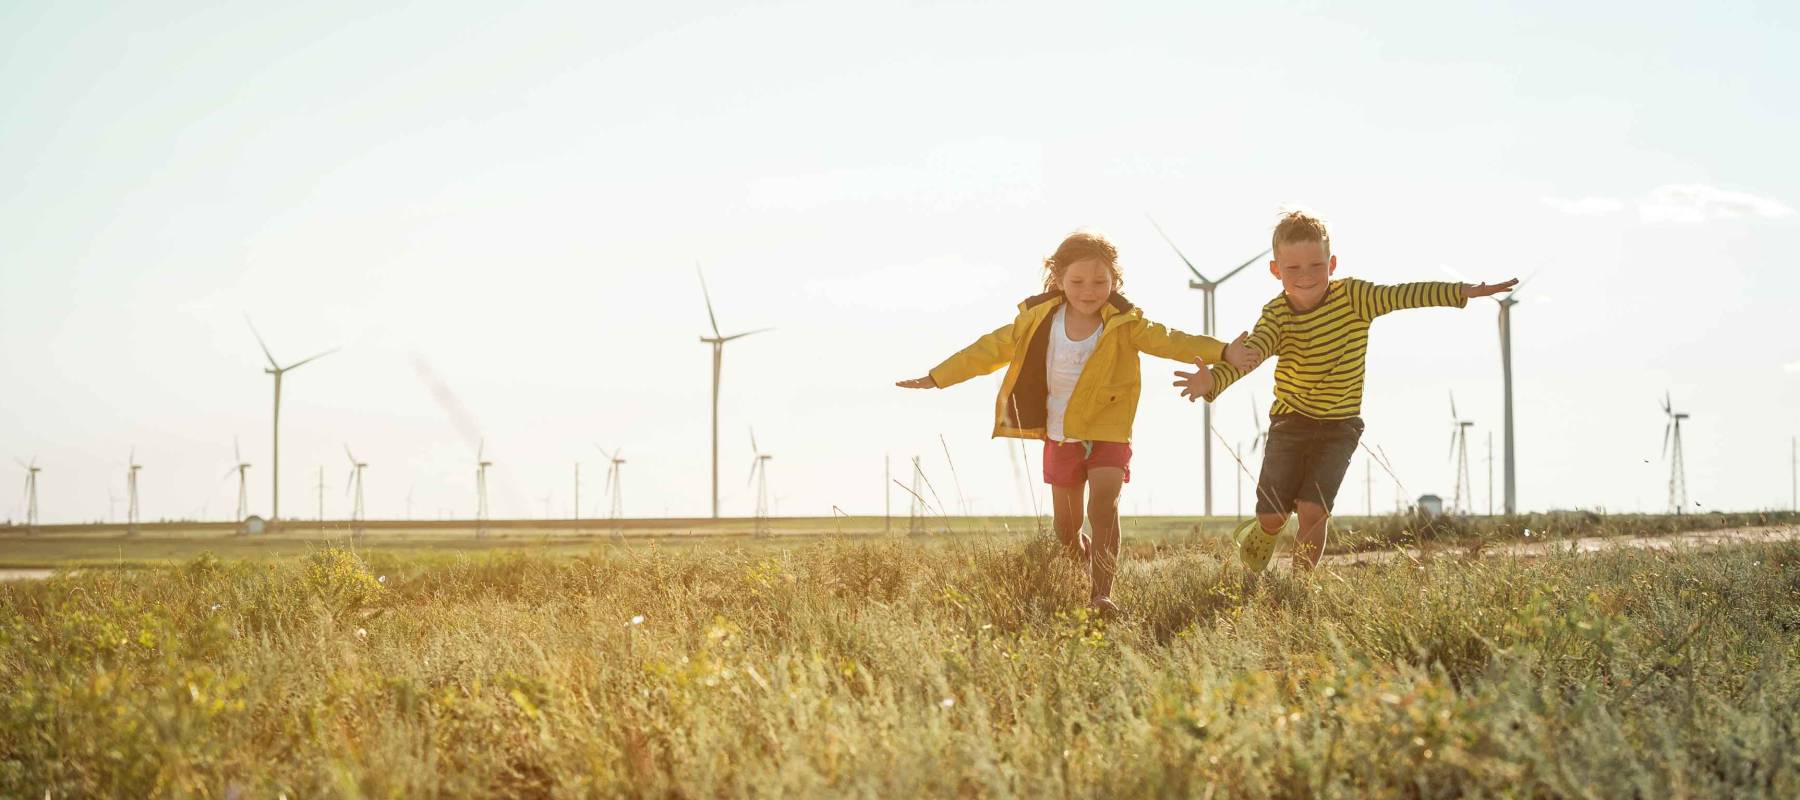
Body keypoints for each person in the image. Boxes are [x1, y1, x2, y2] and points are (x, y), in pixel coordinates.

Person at [899, 229, 1257, 614]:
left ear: (1114, 281)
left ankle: (1101, 594)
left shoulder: (1125, 323)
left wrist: (1222, 350)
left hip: (1109, 431)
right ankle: (1082, 556)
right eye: (1079, 282)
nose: (1090, 290)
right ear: (1059, 281)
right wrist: (938, 376)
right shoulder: (1037, 320)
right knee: (1066, 531)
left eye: (1101, 282)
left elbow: (1172, 340)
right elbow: (987, 349)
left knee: (1103, 507)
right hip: (1061, 434)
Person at [1175, 209, 1516, 571]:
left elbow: (1406, 295)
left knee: (1313, 509)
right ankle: (1265, 529)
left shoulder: (1355, 297)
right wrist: (1214, 379)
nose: (1306, 276)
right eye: (1293, 269)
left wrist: (1462, 291)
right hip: (1290, 422)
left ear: (1332, 263)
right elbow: (1252, 353)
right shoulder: (1277, 314)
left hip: (1340, 426)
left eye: (1316, 265)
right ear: (1276, 270)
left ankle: (1301, 583)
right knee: (1273, 515)